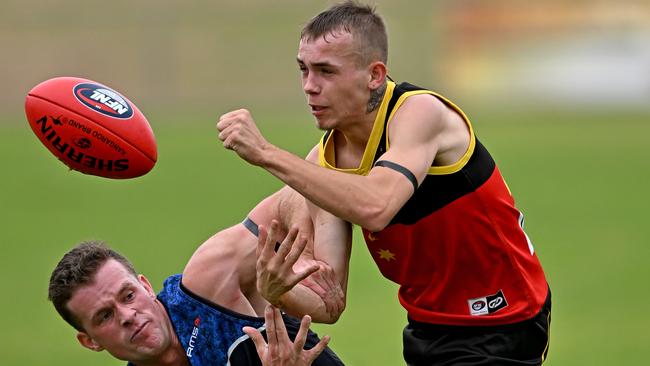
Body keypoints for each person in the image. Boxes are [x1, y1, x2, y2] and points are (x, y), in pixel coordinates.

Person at [216, 1, 551, 364]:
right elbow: (330, 303)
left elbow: (376, 207)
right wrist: (277, 290)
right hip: (427, 327)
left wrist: (265, 153)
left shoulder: (420, 113)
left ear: (375, 75)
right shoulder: (324, 163)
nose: (310, 87)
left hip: (504, 320)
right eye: (304, 70)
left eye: (326, 71)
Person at [48, 187, 351, 366]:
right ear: (90, 342)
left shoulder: (207, 283)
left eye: (128, 295)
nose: (127, 315)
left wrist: (306, 261)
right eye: (104, 316)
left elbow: (297, 194)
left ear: (145, 285)